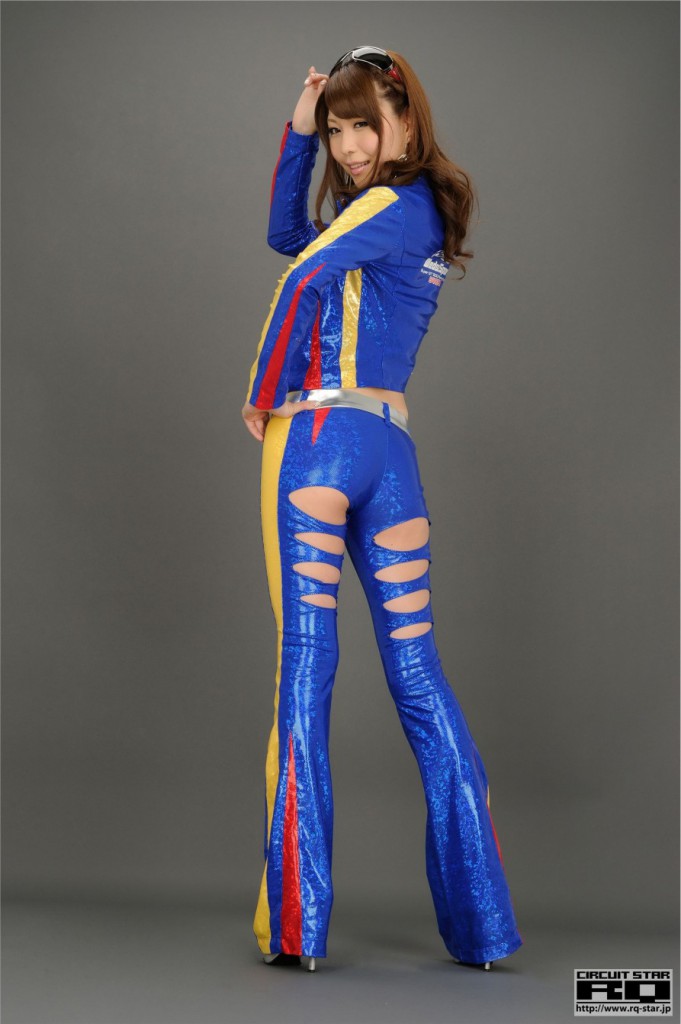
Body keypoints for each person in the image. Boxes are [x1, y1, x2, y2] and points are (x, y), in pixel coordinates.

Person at [241, 46, 523, 973]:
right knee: (418, 677)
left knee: (304, 670)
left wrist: (263, 391)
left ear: (407, 118)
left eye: (366, 123)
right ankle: (482, 926)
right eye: (338, 130)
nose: (351, 145)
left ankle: (296, 927)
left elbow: (295, 276)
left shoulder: (382, 208)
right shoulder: (420, 212)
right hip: (392, 455)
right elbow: (293, 236)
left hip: (319, 444)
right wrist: (298, 132)